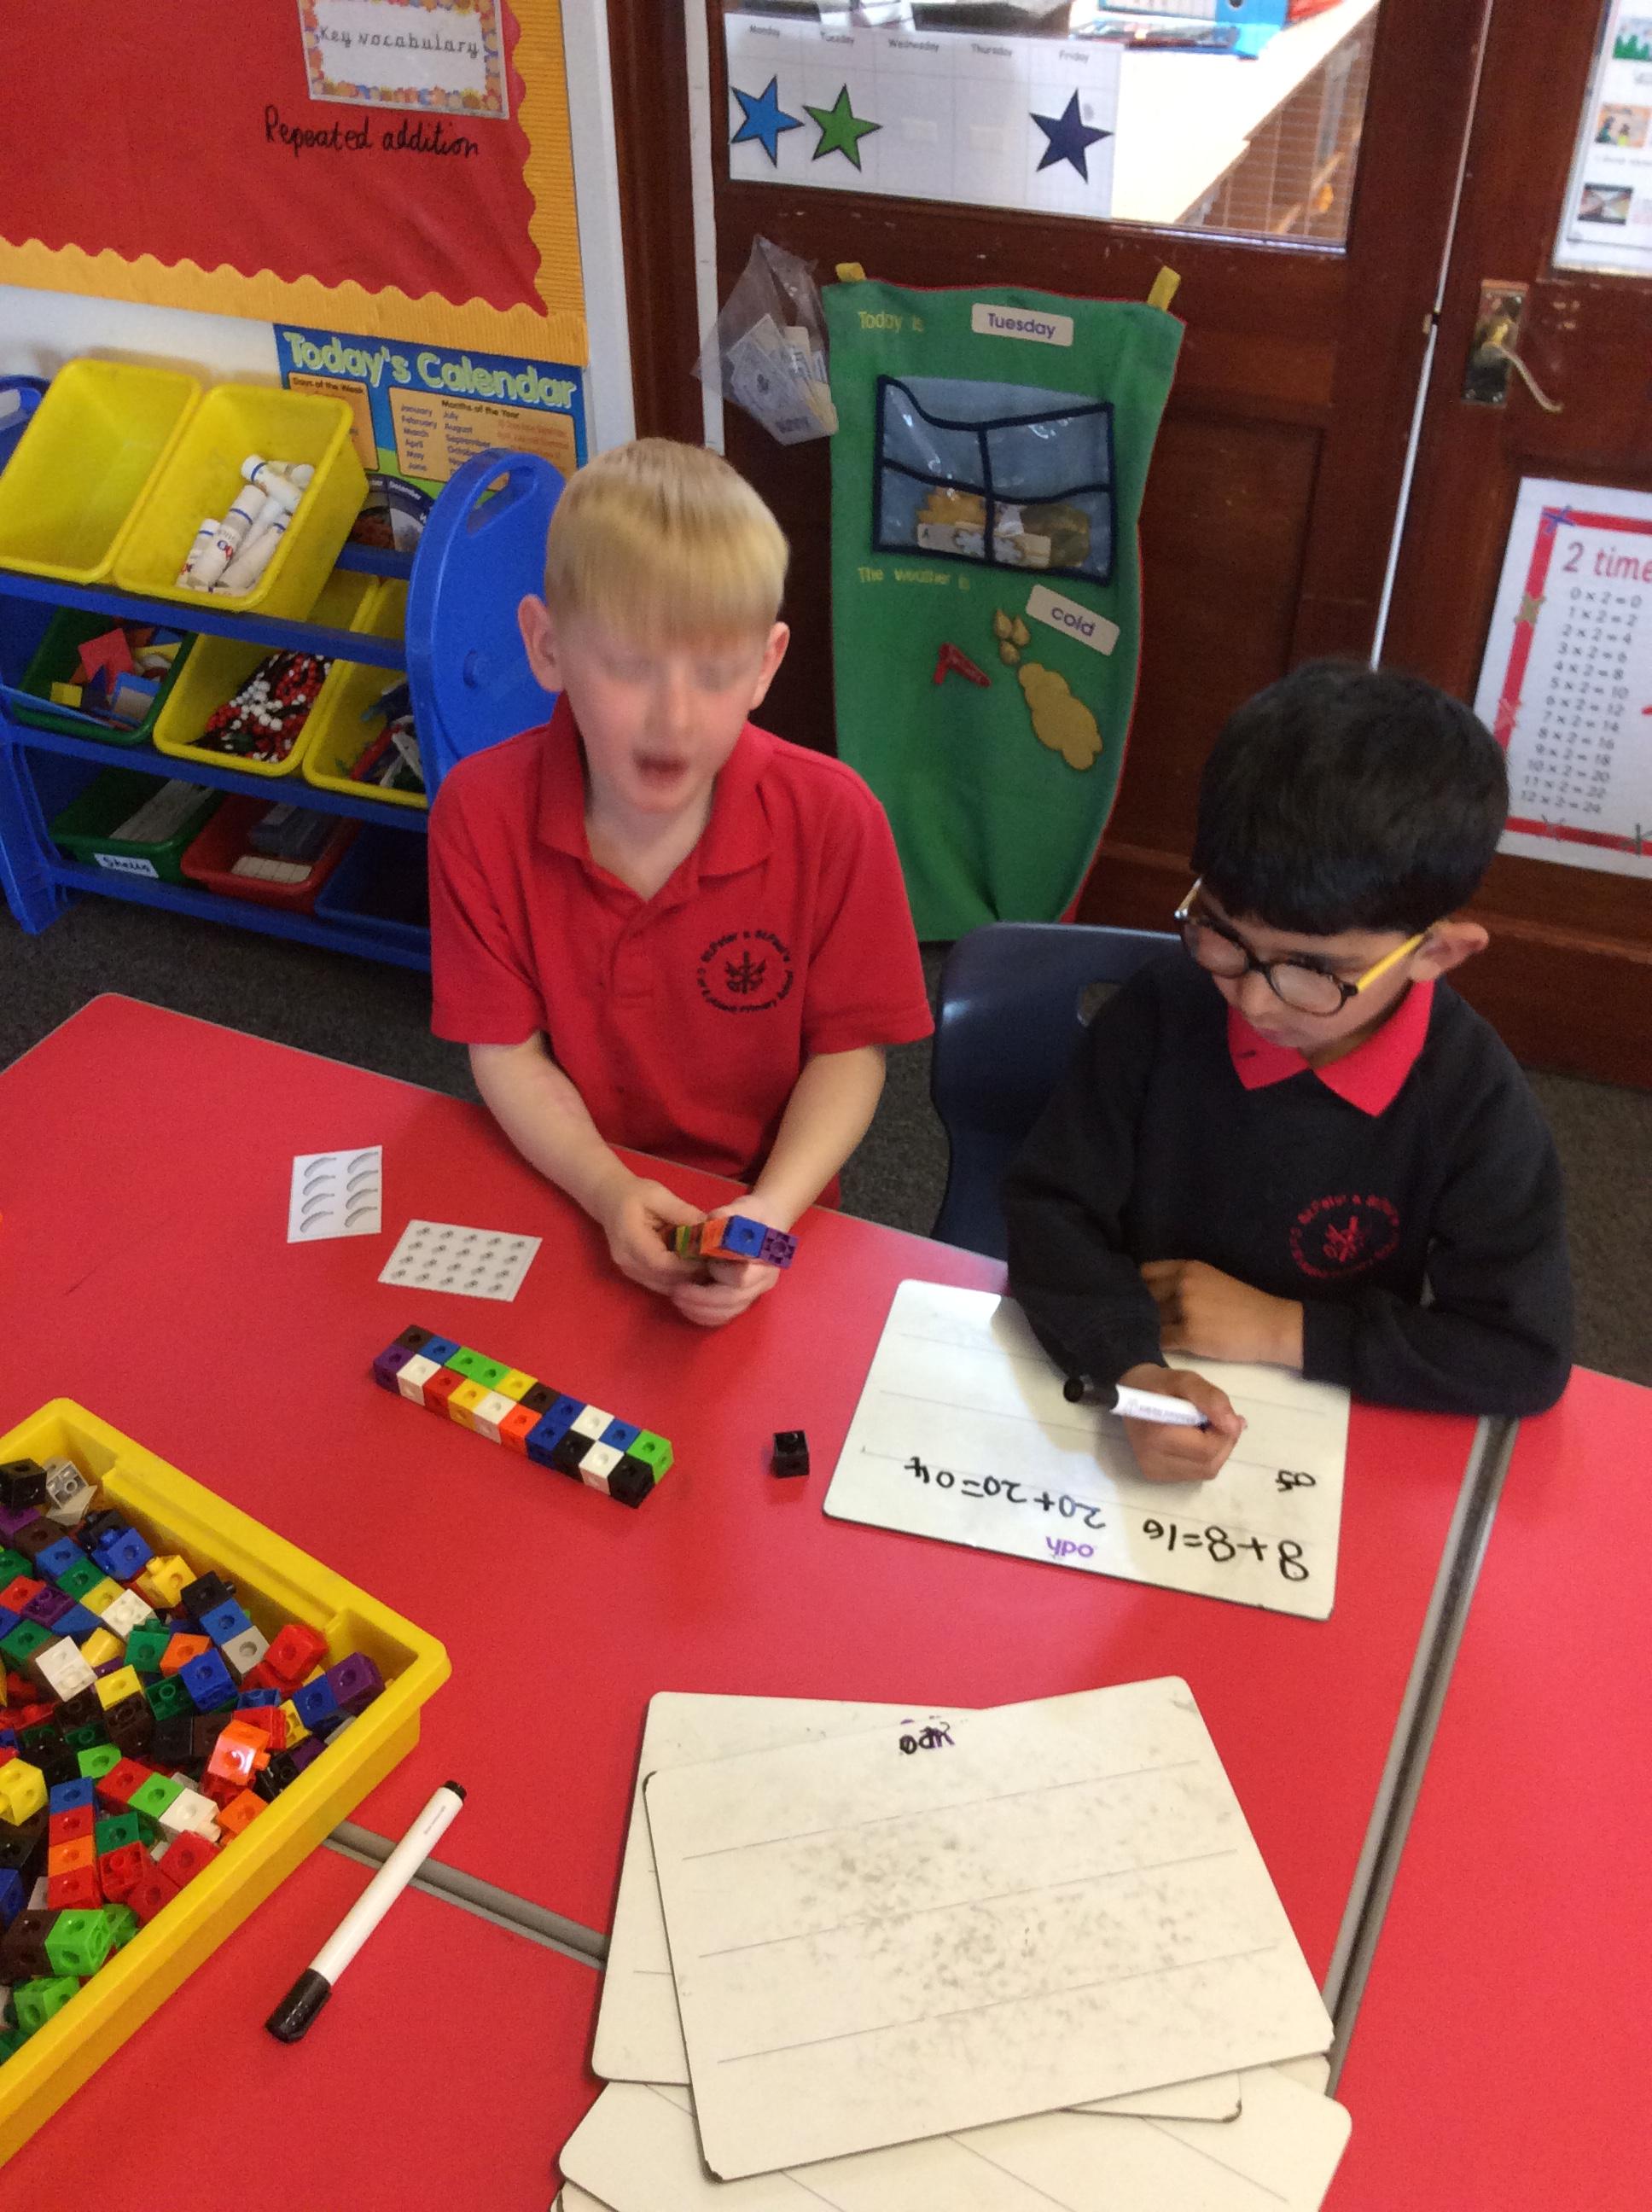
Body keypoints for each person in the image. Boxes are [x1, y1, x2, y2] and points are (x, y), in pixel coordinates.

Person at [1003, 661, 1573, 1481]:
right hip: (1132, 1382)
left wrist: (1284, 1329)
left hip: (1322, 1422)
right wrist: (1132, 1371)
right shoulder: (1164, 1008)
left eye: (1312, 970)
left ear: (1437, 954)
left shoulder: (1472, 1102)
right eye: (1221, 933)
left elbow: (1521, 1353)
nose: (1253, 1000)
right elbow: (1048, 1207)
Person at [428, 439, 931, 1327]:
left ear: (766, 664)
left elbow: (850, 1053)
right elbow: (506, 1050)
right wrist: (604, 1187)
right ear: (546, 646)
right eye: (628, 665)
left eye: (715, 671)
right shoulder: (478, 812)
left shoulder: (835, 819)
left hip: (777, 1200)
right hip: (565, 1182)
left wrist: (771, 1212)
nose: (674, 718)